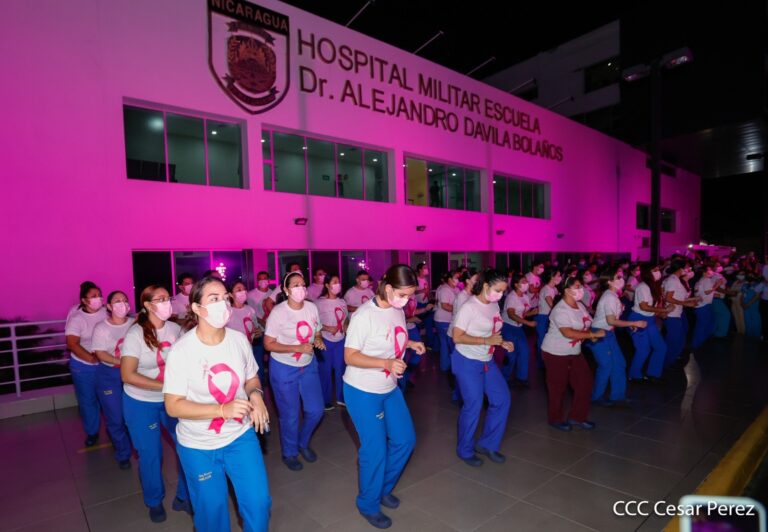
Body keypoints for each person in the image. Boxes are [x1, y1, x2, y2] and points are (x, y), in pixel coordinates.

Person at [164, 277, 271, 532]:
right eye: (213, 299)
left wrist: (255, 395)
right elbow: (173, 405)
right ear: (197, 308)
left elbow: (251, 377)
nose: (222, 303)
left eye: (225, 297)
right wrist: (221, 410)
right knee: (212, 513)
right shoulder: (182, 351)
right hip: (199, 444)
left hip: (239, 435)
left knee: (258, 503)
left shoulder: (238, 340)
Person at [343, 264, 424, 529]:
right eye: (402, 294)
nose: (406, 301)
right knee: (375, 449)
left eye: (410, 296)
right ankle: (367, 503)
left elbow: (390, 341)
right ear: (387, 288)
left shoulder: (396, 310)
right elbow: (350, 356)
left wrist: (409, 344)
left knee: (405, 440)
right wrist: (387, 364)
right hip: (362, 390)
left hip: (389, 388)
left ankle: (381, 488)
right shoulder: (364, 315)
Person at [121, 285, 191, 523]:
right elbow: (128, 374)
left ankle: (183, 497)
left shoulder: (175, 329)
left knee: (186, 447)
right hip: (141, 402)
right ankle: (154, 500)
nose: (166, 303)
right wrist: (164, 387)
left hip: (172, 400)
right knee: (150, 454)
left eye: (167, 298)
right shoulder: (135, 334)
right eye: (160, 300)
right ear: (148, 305)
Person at [263, 271, 325, 471]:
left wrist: (318, 339)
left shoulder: (312, 308)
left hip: (308, 365)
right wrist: (296, 348)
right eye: (296, 285)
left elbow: (317, 330)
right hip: (283, 367)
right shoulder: (279, 312)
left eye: (303, 284)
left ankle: (303, 442)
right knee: (289, 415)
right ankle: (289, 453)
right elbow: (268, 344)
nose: (301, 288)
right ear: (286, 290)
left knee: (316, 410)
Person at [451, 269, 513, 465]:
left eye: (503, 291)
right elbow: (457, 336)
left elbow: (493, 330)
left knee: (502, 399)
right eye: (498, 290)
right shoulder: (469, 307)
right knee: (473, 405)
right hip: (467, 360)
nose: (500, 295)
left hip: (487, 359)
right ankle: (465, 449)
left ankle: (488, 444)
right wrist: (487, 340)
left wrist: (500, 342)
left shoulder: (493, 304)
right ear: (486, 286)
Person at [541, 276, 603, 431]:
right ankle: (555, 419)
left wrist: (592, 334)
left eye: (581, 286)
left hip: (574, 351)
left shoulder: (579, 305)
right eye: (577, 286)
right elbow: (568, 332)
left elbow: (587, 322)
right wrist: (591, 336)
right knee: (558, 387)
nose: (581, 289)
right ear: (566, 290)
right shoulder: (560, 310)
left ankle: (577, 417)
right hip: (555, 352)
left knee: (585, 383)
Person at [590, 267, 647, 406]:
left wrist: (629, 324)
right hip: (599, 333)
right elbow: (611, 320)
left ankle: (618, 396)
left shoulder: (613, 295)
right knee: (606, 366)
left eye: (622, 276)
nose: (622, 280)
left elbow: (612, 322)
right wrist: (634, 322)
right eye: (618, 278)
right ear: (609, 282)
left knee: (619, 363)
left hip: (609, 333)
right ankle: (596, 397)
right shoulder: (609, 296)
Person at [91, 290, 133, 469]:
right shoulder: (101, 327)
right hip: (109, 375)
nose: (121, 304)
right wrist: (122, 362)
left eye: (124, 301)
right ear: (109, 306)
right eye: (117, 301)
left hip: (133, 375)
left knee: (132, 415)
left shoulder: (135, 323)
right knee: (115, 417)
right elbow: (100, 354)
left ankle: (135, 445)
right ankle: (123, 453)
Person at [65, 281, 108, 447]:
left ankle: (114, 430)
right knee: (88, 400)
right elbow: (72, 343)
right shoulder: (77, 318)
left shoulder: (106, 312)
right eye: (93, 296)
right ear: (84, 300)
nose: (98, 299)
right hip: (83, 366)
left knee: (109, 399)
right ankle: (92, 432)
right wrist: (90, 359)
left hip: (105, 364)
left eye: (99, 295)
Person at [627, 264, 669, 384]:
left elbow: (653, 306)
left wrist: (660, 313)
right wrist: (663, 311)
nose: (658, 272)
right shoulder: (643, 287)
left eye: (658, 270)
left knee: (661, 347)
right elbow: (644, 307)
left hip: (649, 320)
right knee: (643, 350)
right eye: (654, 270)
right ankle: (634, 375)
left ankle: (653, 373)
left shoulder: (653, 286)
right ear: (647, 273)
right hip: (638, 319)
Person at [315, 274, 348, 409]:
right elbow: (314, 322)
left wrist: (345, 326)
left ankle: (341, 397)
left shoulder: (342, 302)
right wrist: (328, 328)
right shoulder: (319, 303)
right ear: (327, 285)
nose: (337, 285)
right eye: (334, 282)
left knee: (341, 369)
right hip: (325, 340)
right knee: (325, 371)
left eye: (338, 282)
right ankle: (325, 400)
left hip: (340, 339)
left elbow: (345, 318)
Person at [501, 273, 536, 387]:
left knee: (525, 351)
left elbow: (523, 313)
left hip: (519, 327)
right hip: (508, 327)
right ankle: (503, 379)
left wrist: (533, 312)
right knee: (511, 355)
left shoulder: (525, 297)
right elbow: (511, 314)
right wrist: (528, 323)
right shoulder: (512, 297)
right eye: (523, 282)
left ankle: (521, 378)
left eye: (527, 281)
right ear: (516, 285)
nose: (527, 284)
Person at [662, 260, 699, 368]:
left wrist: (689, 302)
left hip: (677, 313)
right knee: (673, 340)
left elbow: (679, 297)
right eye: (686, 268)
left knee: (678, 339)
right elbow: (668, 298)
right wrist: (685, 303)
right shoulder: (673, 280)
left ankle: (670, 360)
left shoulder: (676, 280)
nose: (688, 270)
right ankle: (665, 363)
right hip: (672, 314)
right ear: (680, 269)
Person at [229, 281, 264, 383]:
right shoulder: (227, 311)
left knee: (255, 378)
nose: (243, 292)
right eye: (239, 290)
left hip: (251, 349)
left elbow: (255, 327)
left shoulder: (250, 310)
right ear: (231, 294)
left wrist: (258, 332)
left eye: (244, 289)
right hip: (234, 352)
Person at [535, 270, 562, 368]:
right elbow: (552, 304)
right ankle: (541, 363)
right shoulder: (546, 289)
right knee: (542, 341)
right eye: (558, 275)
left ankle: (546, 362)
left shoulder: (554, 289)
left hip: (549, 317)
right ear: (552, 276)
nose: (560, 277)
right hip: (543, 317)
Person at [692, 266, 723, 349]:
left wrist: (714, 293)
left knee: (702, 325)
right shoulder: (706, 280)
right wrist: (717, 285)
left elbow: (703, 293)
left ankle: (698, 342)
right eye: (709, 270)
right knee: (703, 325)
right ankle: (698, 343)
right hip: (703, 306)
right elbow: (707, 291)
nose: (711, 271)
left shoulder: (699, 281)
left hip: (700, 305)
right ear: (704, 272)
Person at [434, 271, 459, 373]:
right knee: (445, 343)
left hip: (451, 320)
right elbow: (445, 305)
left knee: (447, 343)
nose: (457, 280)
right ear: (449, 279)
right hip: (442, 320)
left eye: (458, 278)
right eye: (455, 278)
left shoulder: (456, 289)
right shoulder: (444, 289)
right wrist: (458, 310)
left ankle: (448, 365)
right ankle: (445, 367)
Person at [414, 263, 436, 350]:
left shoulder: (425, 279)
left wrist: (431, 298)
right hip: (418, 305)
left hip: (426, 303)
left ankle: (430, 344)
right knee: (418, 324)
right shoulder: (416, 280)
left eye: (427, 268)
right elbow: (413, 292)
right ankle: (417, 344)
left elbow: (427, 291)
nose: (427, 269)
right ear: (420, 269)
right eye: (424, 268)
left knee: (429, 324)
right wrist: (423, 290)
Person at [711, 264, 731, 338]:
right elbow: (717, 287)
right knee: (726, 315)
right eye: (717, 265)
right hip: (716, 298)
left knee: (718, 316)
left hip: (717, 298)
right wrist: (729, 292)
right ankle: (721, 333)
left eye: (720, 265)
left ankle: (716, 332)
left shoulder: (718, 275)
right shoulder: (715, 275)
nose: (719, 267)